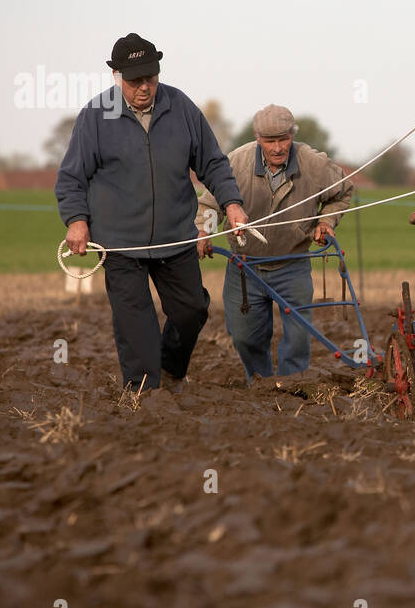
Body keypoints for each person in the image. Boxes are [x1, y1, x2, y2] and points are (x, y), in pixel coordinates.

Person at [56, 33, 250, 390]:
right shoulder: (95, 117)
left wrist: (233, 204)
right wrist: (77, 221)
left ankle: (172, 370)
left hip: (176, 239)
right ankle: (145, 397)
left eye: (151, 76)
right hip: (119, 245)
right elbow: (71, 179)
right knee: (137, 327)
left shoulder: (182, 108)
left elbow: (214, 164)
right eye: (135, 80)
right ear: (117, 76)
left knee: (192, 311)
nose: (145, 87)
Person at [196, 105, 353, 380]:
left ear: (292, 135)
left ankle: (293, 386)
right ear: (257, 137)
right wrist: (204, 231)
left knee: (299, 336)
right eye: (270, 140)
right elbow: (210, 203)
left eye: (284, 139)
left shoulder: (314, 164)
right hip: (245, 266)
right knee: (244, 336)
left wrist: (325, 222)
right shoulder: (235, 163)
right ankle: (262, 385)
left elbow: (342, 193)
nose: (278, 147)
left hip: (293, 262)